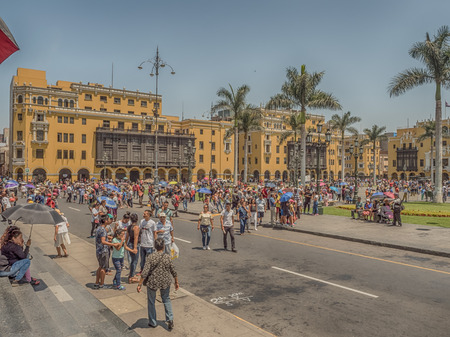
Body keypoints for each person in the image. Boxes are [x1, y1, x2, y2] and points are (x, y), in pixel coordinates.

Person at [137, 238, 179, 330]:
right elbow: (173, 271)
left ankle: (153, 322)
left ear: (155, 247)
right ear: (163, 247)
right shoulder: (167, 257)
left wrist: (139, 284)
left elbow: (144, 273)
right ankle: (170, 319)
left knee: (151, 301)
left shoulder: (151, 257)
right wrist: (176, 282)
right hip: (165, 282)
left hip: (153, 282)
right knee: (166, 299)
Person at [94, 217, 114, 289]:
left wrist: (108, 238)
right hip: (103, 251)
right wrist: (113, 244)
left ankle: (97, 282)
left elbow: (102, 238)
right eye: (109, 219)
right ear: (105, 221)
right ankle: (102, 283)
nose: (110, 221)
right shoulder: (103, 229)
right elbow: (103, 241)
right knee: (103, 268)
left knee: (100, 266)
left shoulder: (99, 228)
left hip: (98, 250)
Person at [124, 213, 140, 284]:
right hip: (134, 244)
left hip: (129, 243)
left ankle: (131, 275)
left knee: (133, 261)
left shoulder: (129, 227)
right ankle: (131, 276)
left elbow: (127, 236)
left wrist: (125, 243)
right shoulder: (136, 227)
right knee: (134, 261)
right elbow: (136, 238)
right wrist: (135, 248)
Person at [139, 209, 155, 275]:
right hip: (142, 243)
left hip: (149, 244)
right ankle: (142, 270)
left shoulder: (152, 223)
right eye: (143, 213)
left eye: (145, 214)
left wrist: (155, 243)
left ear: (149, 215)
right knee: (142, 259)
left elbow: (155, 232)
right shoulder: (142, 221)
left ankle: (149, 271)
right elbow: (140, 231)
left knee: (149, 260)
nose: (143, 215)